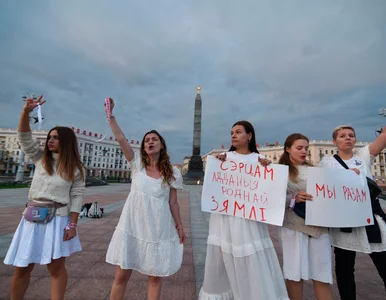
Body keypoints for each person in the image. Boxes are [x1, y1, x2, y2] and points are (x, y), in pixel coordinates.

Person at [4, 95, 86, 300]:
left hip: (58, 219)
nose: (50, 140)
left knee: (56, 268)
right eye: (50, 137)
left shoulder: (75, 167)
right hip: (32, 217)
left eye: (56, 137)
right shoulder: (40, 158)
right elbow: (24, 137)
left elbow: (76, 196)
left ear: (66, 141)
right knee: (22, 266)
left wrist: (73, 225)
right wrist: (26, 112)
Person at [104, 98, 185, 300]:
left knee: (155, 277)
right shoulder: (137, 164)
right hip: (133, 225)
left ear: (161, 145)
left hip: (158, 227)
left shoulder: (172, 173)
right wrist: (111, 116)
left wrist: (180, 226)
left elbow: (173, 202)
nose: (149, 141)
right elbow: (121, 139)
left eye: (154, 139)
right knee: (122, 274)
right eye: (146, 139)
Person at [199, 120, 289, 300]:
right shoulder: (223, 158)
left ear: (249, 136)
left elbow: (270, 192)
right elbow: (213, 188)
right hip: (224, 219)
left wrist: (267, 170)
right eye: (232, 132)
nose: (233, 135)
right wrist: (216, 165)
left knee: (249, 259)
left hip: (248, 221)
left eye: (238, 132)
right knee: (221, 262)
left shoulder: (260, 161)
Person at [319, 125, 386, 299]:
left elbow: (382, 141)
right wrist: (345, 176)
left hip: (368, 216)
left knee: (383, 263)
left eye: (351, 135)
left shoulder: (362, 156)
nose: (347, 138)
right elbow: (322, 185)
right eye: (342, 136)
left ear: (355, 140)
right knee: (344, 269)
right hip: (343, 221)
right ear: (335, 141)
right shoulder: (327, 162)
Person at [277, 133, 333, 300]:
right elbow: (272, 200)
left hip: (319, 227)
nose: (304, 151)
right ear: (288, 149)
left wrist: (349, 176)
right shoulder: (280, 172)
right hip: (293, 227)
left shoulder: (317, 171)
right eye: (299, 148)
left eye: (306, 148)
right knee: (294, 273)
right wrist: (293, 198)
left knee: (322, 273)